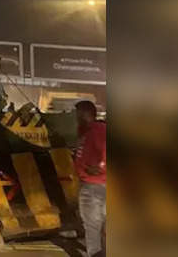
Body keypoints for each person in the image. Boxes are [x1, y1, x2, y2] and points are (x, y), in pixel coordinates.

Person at [74, 100, 106, 257]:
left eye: (78, 113)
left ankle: (96, 254)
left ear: (86, 114)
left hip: (94, 186)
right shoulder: (86, 131)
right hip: (93, 184)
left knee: (92, 225)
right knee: (97, 224)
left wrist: (101, 166)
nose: (76, 117)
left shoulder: (97, 129)